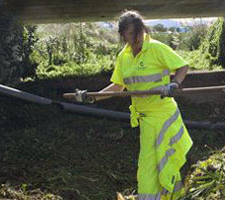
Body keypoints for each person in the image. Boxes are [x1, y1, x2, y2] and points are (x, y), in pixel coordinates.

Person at [76, 10, 192, 200]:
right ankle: (173, 196)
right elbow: (118, 86)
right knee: (158, 161)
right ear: (122, 35)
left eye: (136, 33)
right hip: (145, 117)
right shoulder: (124, 57)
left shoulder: (156, 48)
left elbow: (183, 66)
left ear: (142, 29)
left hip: (164, 114)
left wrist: (174, 84)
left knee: (154, 162)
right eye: (128, 34)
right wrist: (93, 97)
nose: (134, 38)